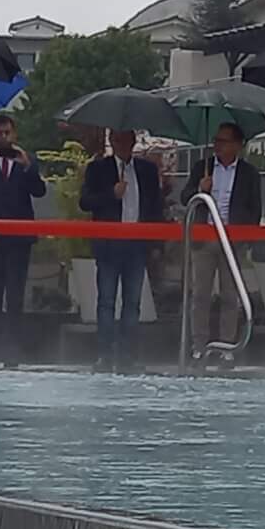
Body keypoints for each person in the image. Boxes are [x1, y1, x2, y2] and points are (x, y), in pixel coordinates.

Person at [79, 127, 164, 370]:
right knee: (106, 301)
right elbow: (85, 202)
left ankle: (128, 356)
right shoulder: (98, 169)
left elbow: (155, 207)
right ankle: (105, 355)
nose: (121, 144)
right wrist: (111, 194)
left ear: (133, 141)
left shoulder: (146, 171)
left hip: (136, 245)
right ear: (111, 142)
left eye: (126, 139)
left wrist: (156, 243)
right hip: (108, 245)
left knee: (132, 302)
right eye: (116, 139)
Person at [0, 111, 46, 368]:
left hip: (18, 240)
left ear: (15, 134)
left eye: (8, 132)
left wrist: (28, 167)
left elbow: (39, 191)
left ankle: (12, 350)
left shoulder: (27, 160)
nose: (4, 137)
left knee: (15, 296)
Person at [186, 120, 263, 355]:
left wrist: (245, 239)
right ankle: (199, 345)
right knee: (201, 294)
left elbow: (254, 209)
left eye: (224, 141)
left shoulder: (249, 173)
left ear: (237, 145)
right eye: (216, 141)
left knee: (231, 295)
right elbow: (184, 197)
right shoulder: (203, 167)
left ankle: (227, 345)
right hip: (204, 238)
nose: (217, 145)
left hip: (233, 241)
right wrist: (200, 189)